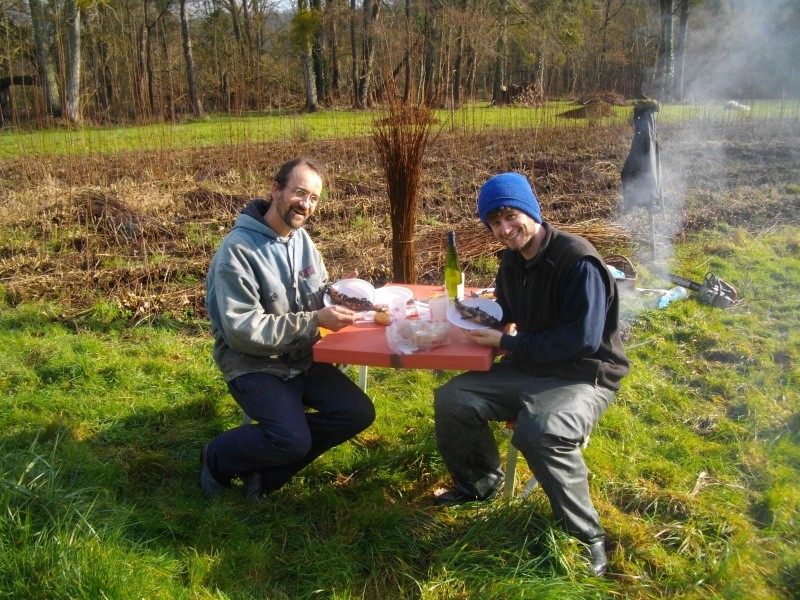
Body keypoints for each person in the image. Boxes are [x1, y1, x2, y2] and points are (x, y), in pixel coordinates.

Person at [432, 172, 629, 576]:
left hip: (583, 375)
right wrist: (474, 316)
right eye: (494, 223)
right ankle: (479, 485)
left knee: (541, 432)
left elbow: (582, 341)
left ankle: (586, 536)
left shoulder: (577, 261)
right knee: (452, 399)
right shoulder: (511, 261)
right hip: (528, 366)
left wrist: (505, 344)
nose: (505, 230)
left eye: (510, 216)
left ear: (531, 209)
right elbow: (509, 312)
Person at [201, 157, 375, 503]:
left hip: (301, 356)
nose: (306, 204)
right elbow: (241, 330)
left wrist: (339, 290)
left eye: (313, 198)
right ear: (276, 190)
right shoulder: (237, 251)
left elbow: (317, 288)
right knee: (292, 439)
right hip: (253, 363)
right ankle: (216, 456)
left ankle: (265, 474)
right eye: (299, 193)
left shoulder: (301, 240)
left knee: (357, 412)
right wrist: (314, 321)